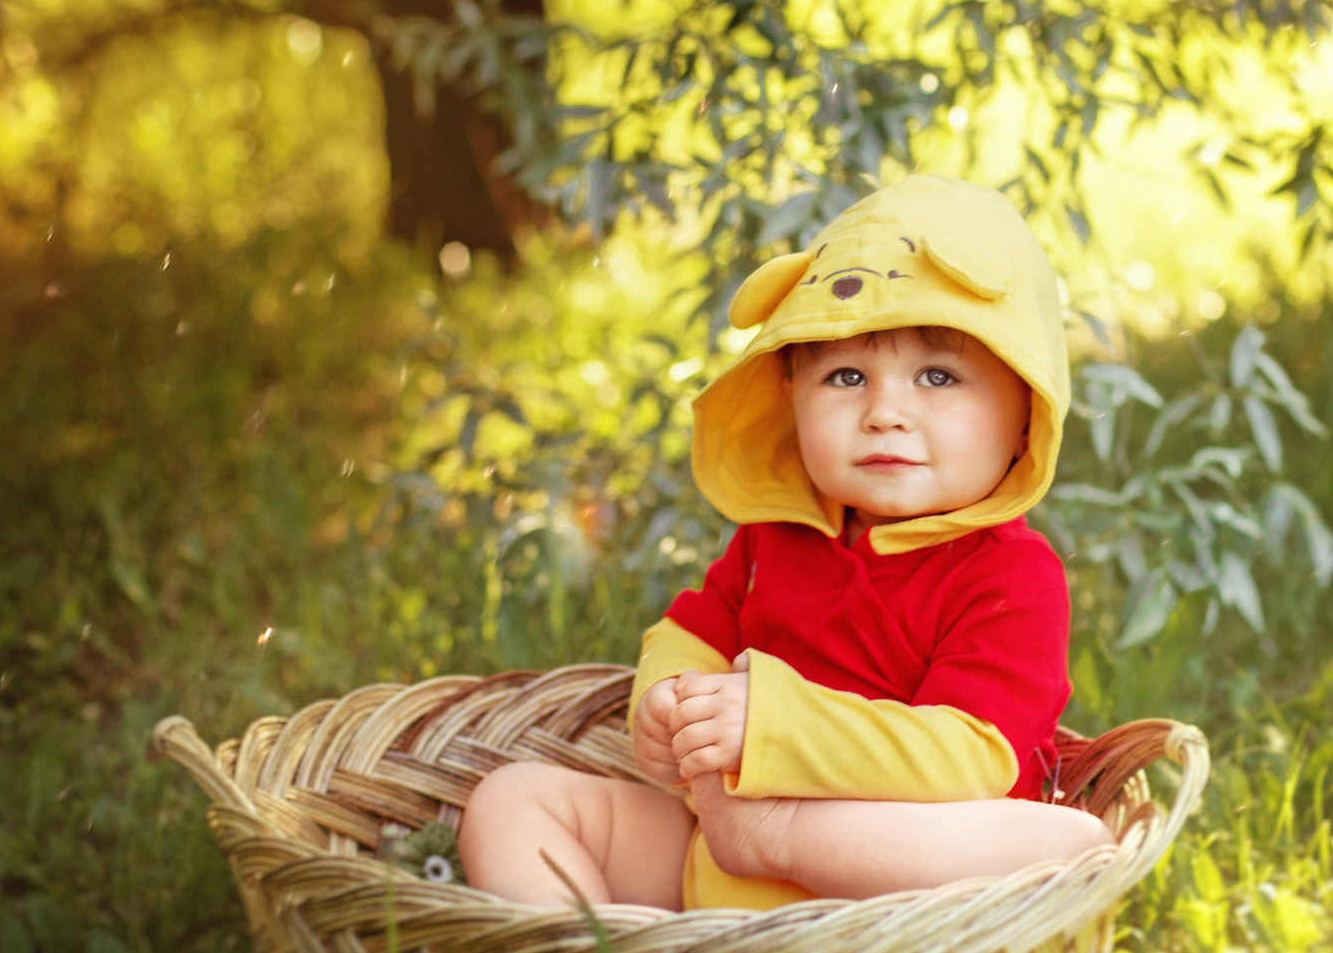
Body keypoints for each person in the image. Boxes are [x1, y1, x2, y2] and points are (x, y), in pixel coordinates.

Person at [458, 175, 1115, 910]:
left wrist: (775, 743)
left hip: (887, 885)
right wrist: (671, 698)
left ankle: (772, 843)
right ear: (791, 397)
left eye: (937, 375)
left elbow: (972, 759)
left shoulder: (1013, 575)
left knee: (1071, 848)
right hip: (712, 865)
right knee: (513, 800)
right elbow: (690, 631)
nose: (884, 412)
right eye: (844, 376)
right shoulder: (778, 538)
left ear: (1025, 413)